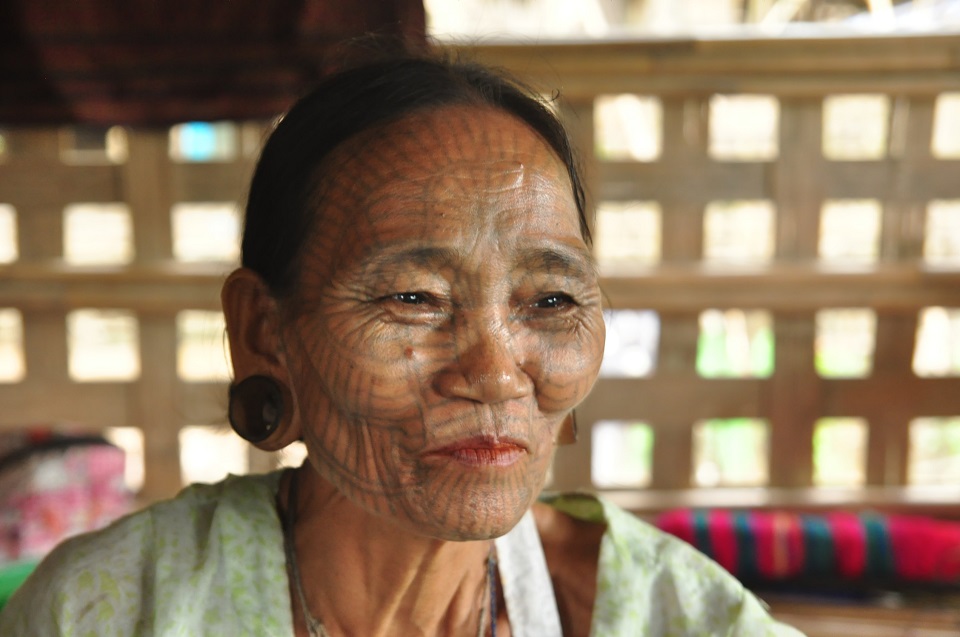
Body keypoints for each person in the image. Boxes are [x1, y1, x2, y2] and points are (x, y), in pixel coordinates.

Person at [0, 46, 804, 636]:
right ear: (263, 333)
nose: (495, 370)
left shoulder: (669, 616)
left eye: (552, 298)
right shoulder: (111, 610)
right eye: (412, 297)